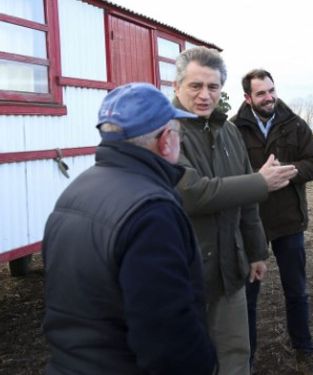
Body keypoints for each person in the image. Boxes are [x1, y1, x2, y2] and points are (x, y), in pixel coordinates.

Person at [42, 83, 216, 374]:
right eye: (178, 133)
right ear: (166, 140)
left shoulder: (74, 193)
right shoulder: (151, 213)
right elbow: (168, 338)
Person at [172, 47, 298, 375]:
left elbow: (246, 203)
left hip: (230, 269)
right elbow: (192, 193)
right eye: (195, 86)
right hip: (187, 272)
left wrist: (256, 252)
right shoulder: (166, 132)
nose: (204, 95)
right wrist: (259, 182)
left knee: (235, 354)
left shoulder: (228, 131)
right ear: (176, 87)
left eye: (213, 87)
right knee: (191, 358)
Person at [230, 69, 313, 375]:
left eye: (271, 90)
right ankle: (247, 358)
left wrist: (289, 171)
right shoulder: (233, 130)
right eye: (261, 93)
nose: (269, 97)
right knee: (248, 297)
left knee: (296, 291)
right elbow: (228, 176)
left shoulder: (294, 124)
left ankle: (304, 353)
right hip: (250, 223)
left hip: (288, 221)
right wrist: (258, 180)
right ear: (247, 97)